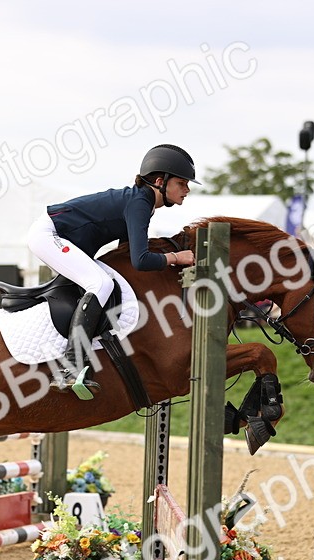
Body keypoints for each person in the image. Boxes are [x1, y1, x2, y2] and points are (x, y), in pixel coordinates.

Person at [27, 143, 197, 398]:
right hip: (49, 235)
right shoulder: (140, 203)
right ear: (160, 182)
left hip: (57, 236)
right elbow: (140, 260)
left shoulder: (143, 202)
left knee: (106, 281)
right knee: (101, 284)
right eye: (182, 183)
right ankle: (70, 367)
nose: (187, 189)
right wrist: (175, 257)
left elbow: (125, 255)